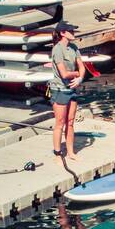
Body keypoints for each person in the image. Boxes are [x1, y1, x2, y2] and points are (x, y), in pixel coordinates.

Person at [49, 20, 86, 161]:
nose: (74, 33)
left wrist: (80, 78)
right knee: (60, 122)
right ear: (63, 33)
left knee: (70, 122)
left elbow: (81, 66)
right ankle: (58, 154)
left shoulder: (74, 47)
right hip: (59, 90)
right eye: (71, 31)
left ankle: (70, 152)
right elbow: (64, 74)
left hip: (72, 89)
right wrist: (76, 74)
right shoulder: (57, 49)